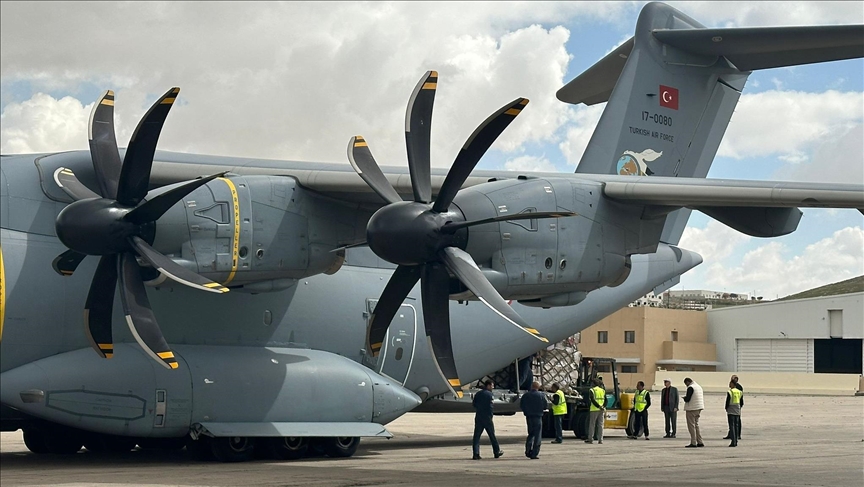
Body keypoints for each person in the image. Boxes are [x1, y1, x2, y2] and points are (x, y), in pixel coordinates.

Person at [471, 380, 503, 460]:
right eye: (492, 385)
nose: (493, 387)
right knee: (492, 435)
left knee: (476, 436)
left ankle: (476, 453)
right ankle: (496, 452)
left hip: (479, 416)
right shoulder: (490, 395)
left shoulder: (478, 394)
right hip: (487, 417)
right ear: (488, 386)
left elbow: (474, 404)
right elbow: (490, 407)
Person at [520, 381, 547, 459]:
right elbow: (545, 405)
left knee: (530, 434)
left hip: (529, 416)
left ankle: (528, 450)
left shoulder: (525, 395)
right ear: (538, 387)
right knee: (537, 435)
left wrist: (526, 412)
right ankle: (534, 453)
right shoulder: (541, 396)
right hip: (538, 416)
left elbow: (522, 405)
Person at [682, 377, 704, 448]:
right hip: (699, 408)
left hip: (692, 408)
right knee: (696, 425)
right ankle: (700, 441)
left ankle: (693, 442)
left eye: (686, 384)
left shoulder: (691, 387)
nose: (686, 386)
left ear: (687, 382)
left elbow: (688, 399)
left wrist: (684, 398)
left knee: (691, 426)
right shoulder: (698, 387)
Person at [585, 378, 606, 444]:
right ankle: (600, 440)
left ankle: (590, 439)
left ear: (593, 384)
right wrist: (602, 406)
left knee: (592, 424)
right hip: (601, 410)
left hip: (594, 409)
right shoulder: (602, 390)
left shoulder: (592, 390)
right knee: (600, 425)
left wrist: (598, 406)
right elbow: (606, 400)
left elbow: (592, 400)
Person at [725, 379, 743, 447]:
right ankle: (736, 439)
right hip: (737, 409)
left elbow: (728, 401)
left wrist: (726, 408)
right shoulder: (739, 392)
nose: (729, 384)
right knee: (736, 425)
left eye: (730, 383)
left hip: (731, 409)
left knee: (731, 425)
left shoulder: (730, 391)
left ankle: (733, 441)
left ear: (733, 384)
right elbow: (741, 401)